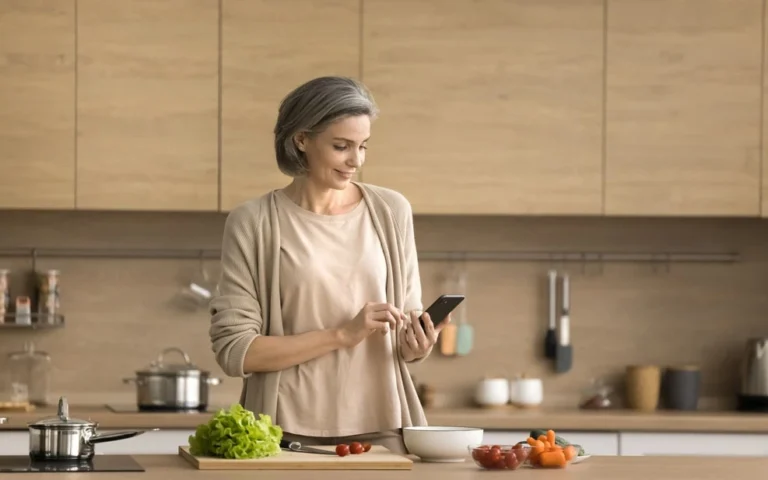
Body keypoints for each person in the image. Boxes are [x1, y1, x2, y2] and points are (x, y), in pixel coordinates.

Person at [208, 76, 450, 454]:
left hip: (383, 426)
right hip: (282, 434)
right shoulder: (253, 222)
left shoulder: (390, 211)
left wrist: (417, 343)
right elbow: (237, 351)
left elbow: (405, 339)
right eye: (341, 147)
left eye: (363, 146)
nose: (356, 161)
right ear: (301, 140)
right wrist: (342, 335)